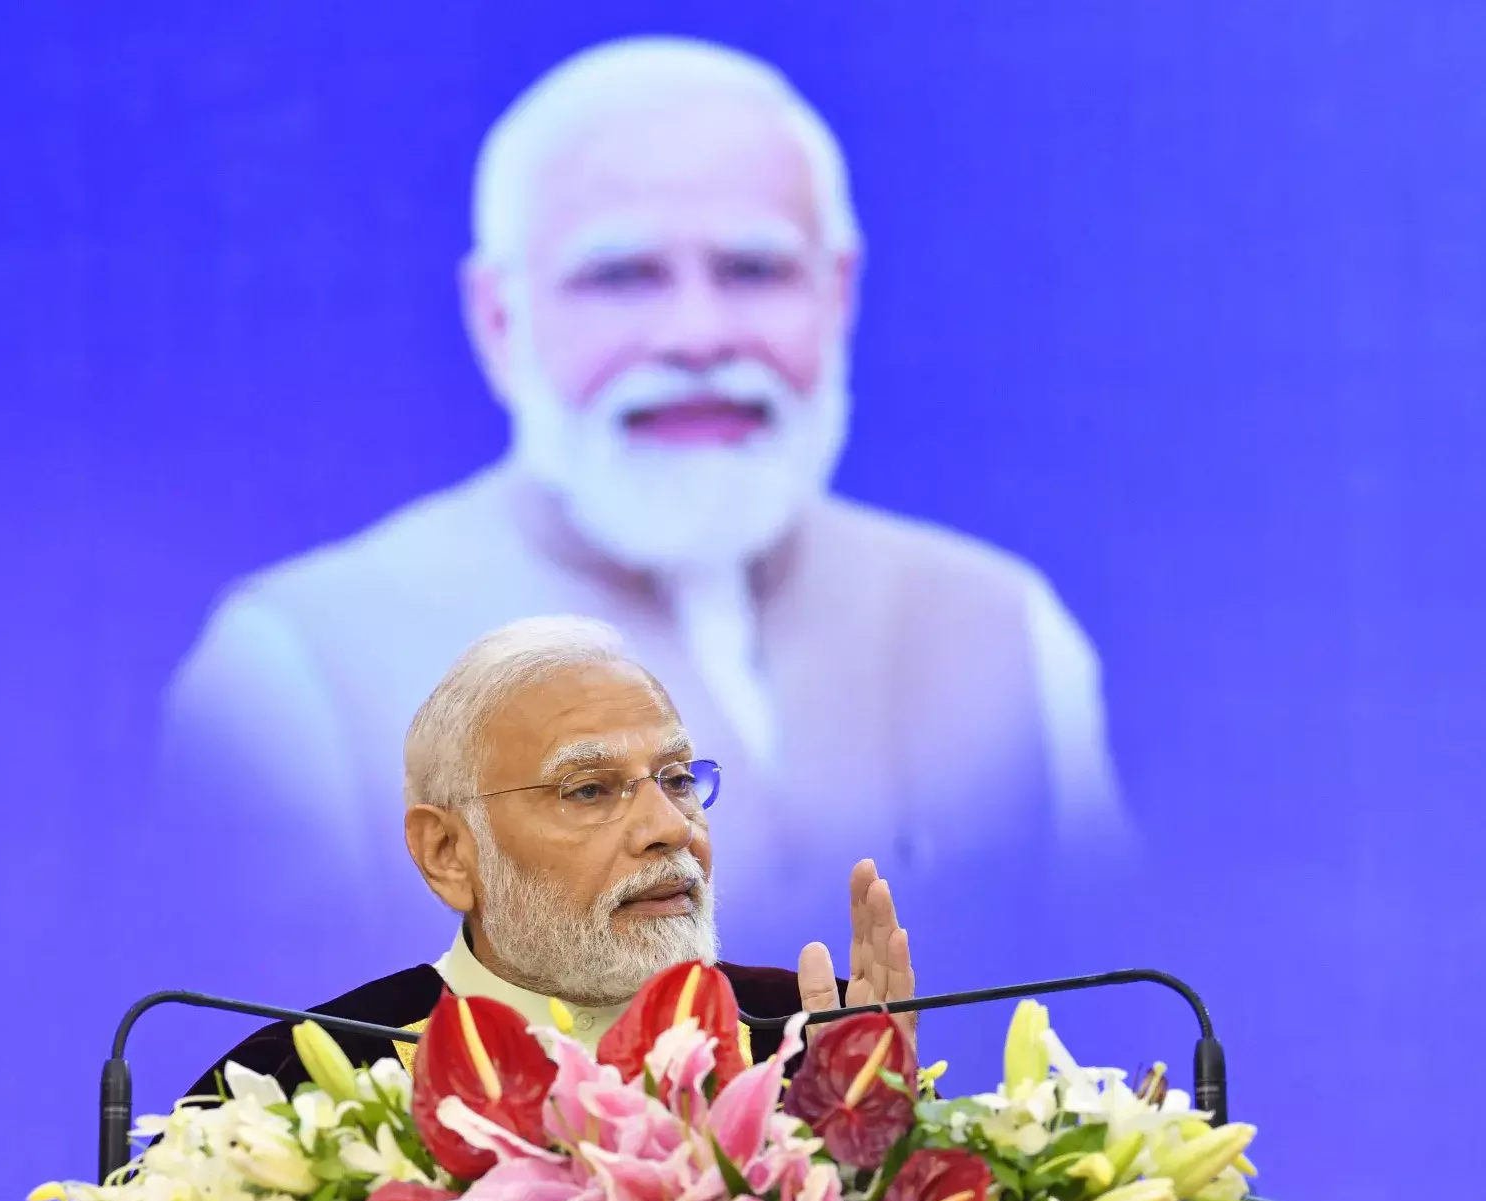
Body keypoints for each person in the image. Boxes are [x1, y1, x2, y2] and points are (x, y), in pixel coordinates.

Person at [156, 34, 1127, 993]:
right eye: (620, 277)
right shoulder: (291, 668)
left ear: (836, 295)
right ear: (499, 319)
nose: (697, 335)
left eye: (753, 270)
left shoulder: (1003, 625)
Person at [205, 616, 915, 1089]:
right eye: (587, 791)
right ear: (448, 851)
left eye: (676, 780)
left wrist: (875, 1144)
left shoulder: (811, 1041)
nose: (668, 828)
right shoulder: (292, 1086)